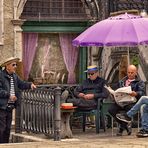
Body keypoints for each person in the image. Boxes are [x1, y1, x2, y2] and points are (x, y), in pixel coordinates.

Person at [0, 57, 36, 143]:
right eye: (13, 65)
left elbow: (22, 84)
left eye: (16, 64)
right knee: (1, 128)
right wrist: (9, 95)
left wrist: (30, 85)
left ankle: (6, 145)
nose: (15, 66)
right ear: (7, 66)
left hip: (10, 106)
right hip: (2, 106)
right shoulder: (0, 75)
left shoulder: (14, 76)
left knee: (8, 128)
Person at [108, 64, 145, 136]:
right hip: (120, 102)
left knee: (130, 108)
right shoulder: (122, 81)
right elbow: (117, 90)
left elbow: (142, 93)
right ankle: (125, 126)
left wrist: (136, 93)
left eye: (132, 72)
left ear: (136, 72)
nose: (130, 74)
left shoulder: (140, 82)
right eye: (128, 72)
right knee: (111, 110)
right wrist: (113, 93)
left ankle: (121, 128)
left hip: (131, 102)